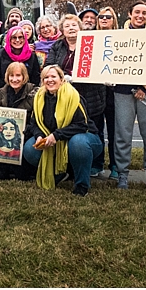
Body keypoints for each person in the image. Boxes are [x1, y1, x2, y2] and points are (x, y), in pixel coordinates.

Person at [24, 65, 103, 196]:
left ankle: (82, 185)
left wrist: (56, 135)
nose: (50, 80)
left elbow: (81, 125)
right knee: (30, 149)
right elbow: (34, 124)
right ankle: (58, 173)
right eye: (46, 77)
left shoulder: (73, 96)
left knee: (78, 143)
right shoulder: (39, 98)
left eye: (53, 76)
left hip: (85, 138)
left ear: (61, 79)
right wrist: (39, 136)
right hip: (55, 140)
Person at [112, 1, 146, 190]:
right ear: (129, 13)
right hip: (124, 91)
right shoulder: (119, 36)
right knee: (123, 134)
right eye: (137, 12)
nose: (140, 16)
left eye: (144, 13)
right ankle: (122, 175)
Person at [44, 14, 107, 177]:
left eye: (74, 25)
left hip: (91, 95)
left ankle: (96, 165)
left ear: (80, 28)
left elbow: (101, 62)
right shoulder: (57, 46)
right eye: (67, 26)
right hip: (65, 97)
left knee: (94, 128)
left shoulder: (91, 43)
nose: (71, 28)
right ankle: (70, 167)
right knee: (68, 129)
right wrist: (64, 76)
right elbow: (49, 66)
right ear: (62, 30)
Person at [0, 61, 39, 180]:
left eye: (18, 75)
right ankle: (2, 169)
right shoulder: (1, 93)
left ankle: (23, 170)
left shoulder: (34, 92)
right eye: (11, 76)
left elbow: (37, 116)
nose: (14, 79)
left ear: (24, 77)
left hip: (27, 130)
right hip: (6, 130)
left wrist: (27, 128)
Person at [95, 6, 120, 179]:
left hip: (115, 92)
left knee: (114, 132)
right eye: (101, 16)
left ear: (114, 20)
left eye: (108, 17)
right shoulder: (91, 38)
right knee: (96, 130)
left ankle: (115, 165)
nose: (104, 19)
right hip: (95, 91)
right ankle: (96, 164)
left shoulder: (122, 39)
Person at [0, 24, 41, 103]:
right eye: (14, 37)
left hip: (26, 98)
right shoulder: (1, 54)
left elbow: (36, 78)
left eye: (20, 37)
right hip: (4, 98)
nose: (17, 40)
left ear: (25, 39)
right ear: (9, 39)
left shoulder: (31, 56)